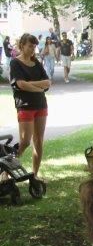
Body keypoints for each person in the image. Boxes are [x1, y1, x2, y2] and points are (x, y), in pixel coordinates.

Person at [9, 33, 51, 178]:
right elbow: (20, 84)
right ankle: (5, 168)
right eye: (30, 46)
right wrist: (39, 88)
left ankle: (35, 174)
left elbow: (48, 82)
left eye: (34, 46)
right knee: (25, 141)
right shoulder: (15, 63)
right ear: (22, 45)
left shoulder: (36, 63)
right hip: (25, 106)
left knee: (38, 140)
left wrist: (30, 85)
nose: (33, 49)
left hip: (41, 105)